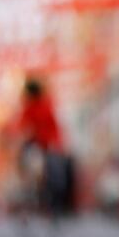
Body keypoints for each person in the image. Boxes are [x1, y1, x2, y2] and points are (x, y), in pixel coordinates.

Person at [13, 78, 73, 218]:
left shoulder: (40, 105)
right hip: (45, 144)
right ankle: (48, 200)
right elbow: (22, 125)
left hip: (46, 143)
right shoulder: (42, 105)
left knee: (49, 173)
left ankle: (44, 198)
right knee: (53, 174)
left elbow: (22, 126)